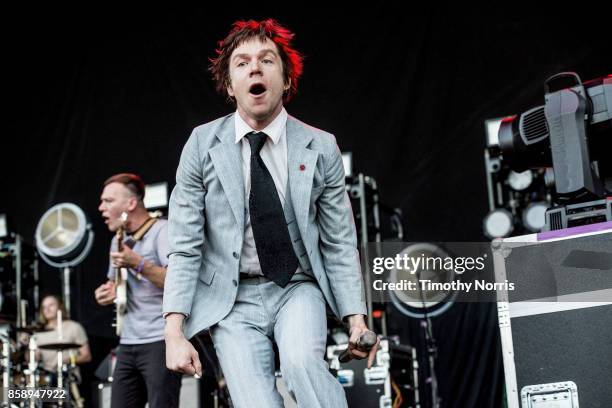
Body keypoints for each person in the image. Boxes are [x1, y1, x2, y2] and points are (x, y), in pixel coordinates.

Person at [163, 19, 379, 408]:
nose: (255, 69)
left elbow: (339, 242)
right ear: (230, 85)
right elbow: (184, 245)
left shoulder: (321, 146)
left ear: (286, 80)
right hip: (230, 298)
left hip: (296, 285)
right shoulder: (200, 145)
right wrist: (173, 331)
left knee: (300, 365)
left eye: (267, 60)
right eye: (242, 63)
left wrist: (356, 320)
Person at [94, 173, 181, 408]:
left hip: (159, 341)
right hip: (128, 341)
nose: (101, 208)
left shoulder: (162, 230)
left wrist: (139, 263)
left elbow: (178, 283)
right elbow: (115, 285)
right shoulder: (117, 240)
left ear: (130, 204)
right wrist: (106, 293)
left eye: (108, 201)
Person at [30, 295, 91, 380]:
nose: (47, 309)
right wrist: (26, 346)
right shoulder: (39, 332)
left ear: (60, 307)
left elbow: (86, 356)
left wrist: (68, 360)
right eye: (44, 307)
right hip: (46, 377)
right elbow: (34, 358)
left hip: (68, 376)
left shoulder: (74, 327)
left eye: (51, 305)